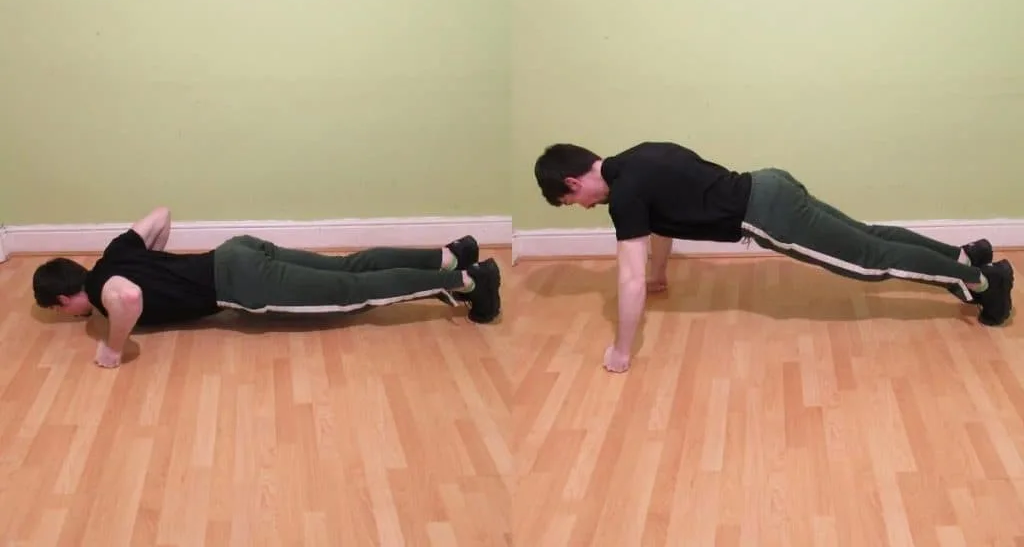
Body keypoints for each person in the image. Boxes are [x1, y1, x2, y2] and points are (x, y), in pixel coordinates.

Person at [534, 141, 1014, 373]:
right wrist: (661, 274)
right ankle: (966, 255)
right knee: (867, 236)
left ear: (573, 184)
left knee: (870, 261)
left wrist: (620, 352)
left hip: (767, 215)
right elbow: (660, 225)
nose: (582, 207)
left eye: (571, 202)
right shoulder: (638, 157)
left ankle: (983, 284)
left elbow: (628, 279)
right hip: (769, 182)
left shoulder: (624, 198)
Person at [31, 206, 501, 368]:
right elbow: (160, 214)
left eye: (61, 310)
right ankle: (453, 252)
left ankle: (467, 281)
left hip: (240, 281)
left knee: (353, 292)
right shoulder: (115, 253)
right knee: (350, 267)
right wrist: (158, 261)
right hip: (237, 251)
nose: (72, 314)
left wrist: (113, 348)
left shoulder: (100, 291)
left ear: (65, 297)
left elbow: (126, 298)